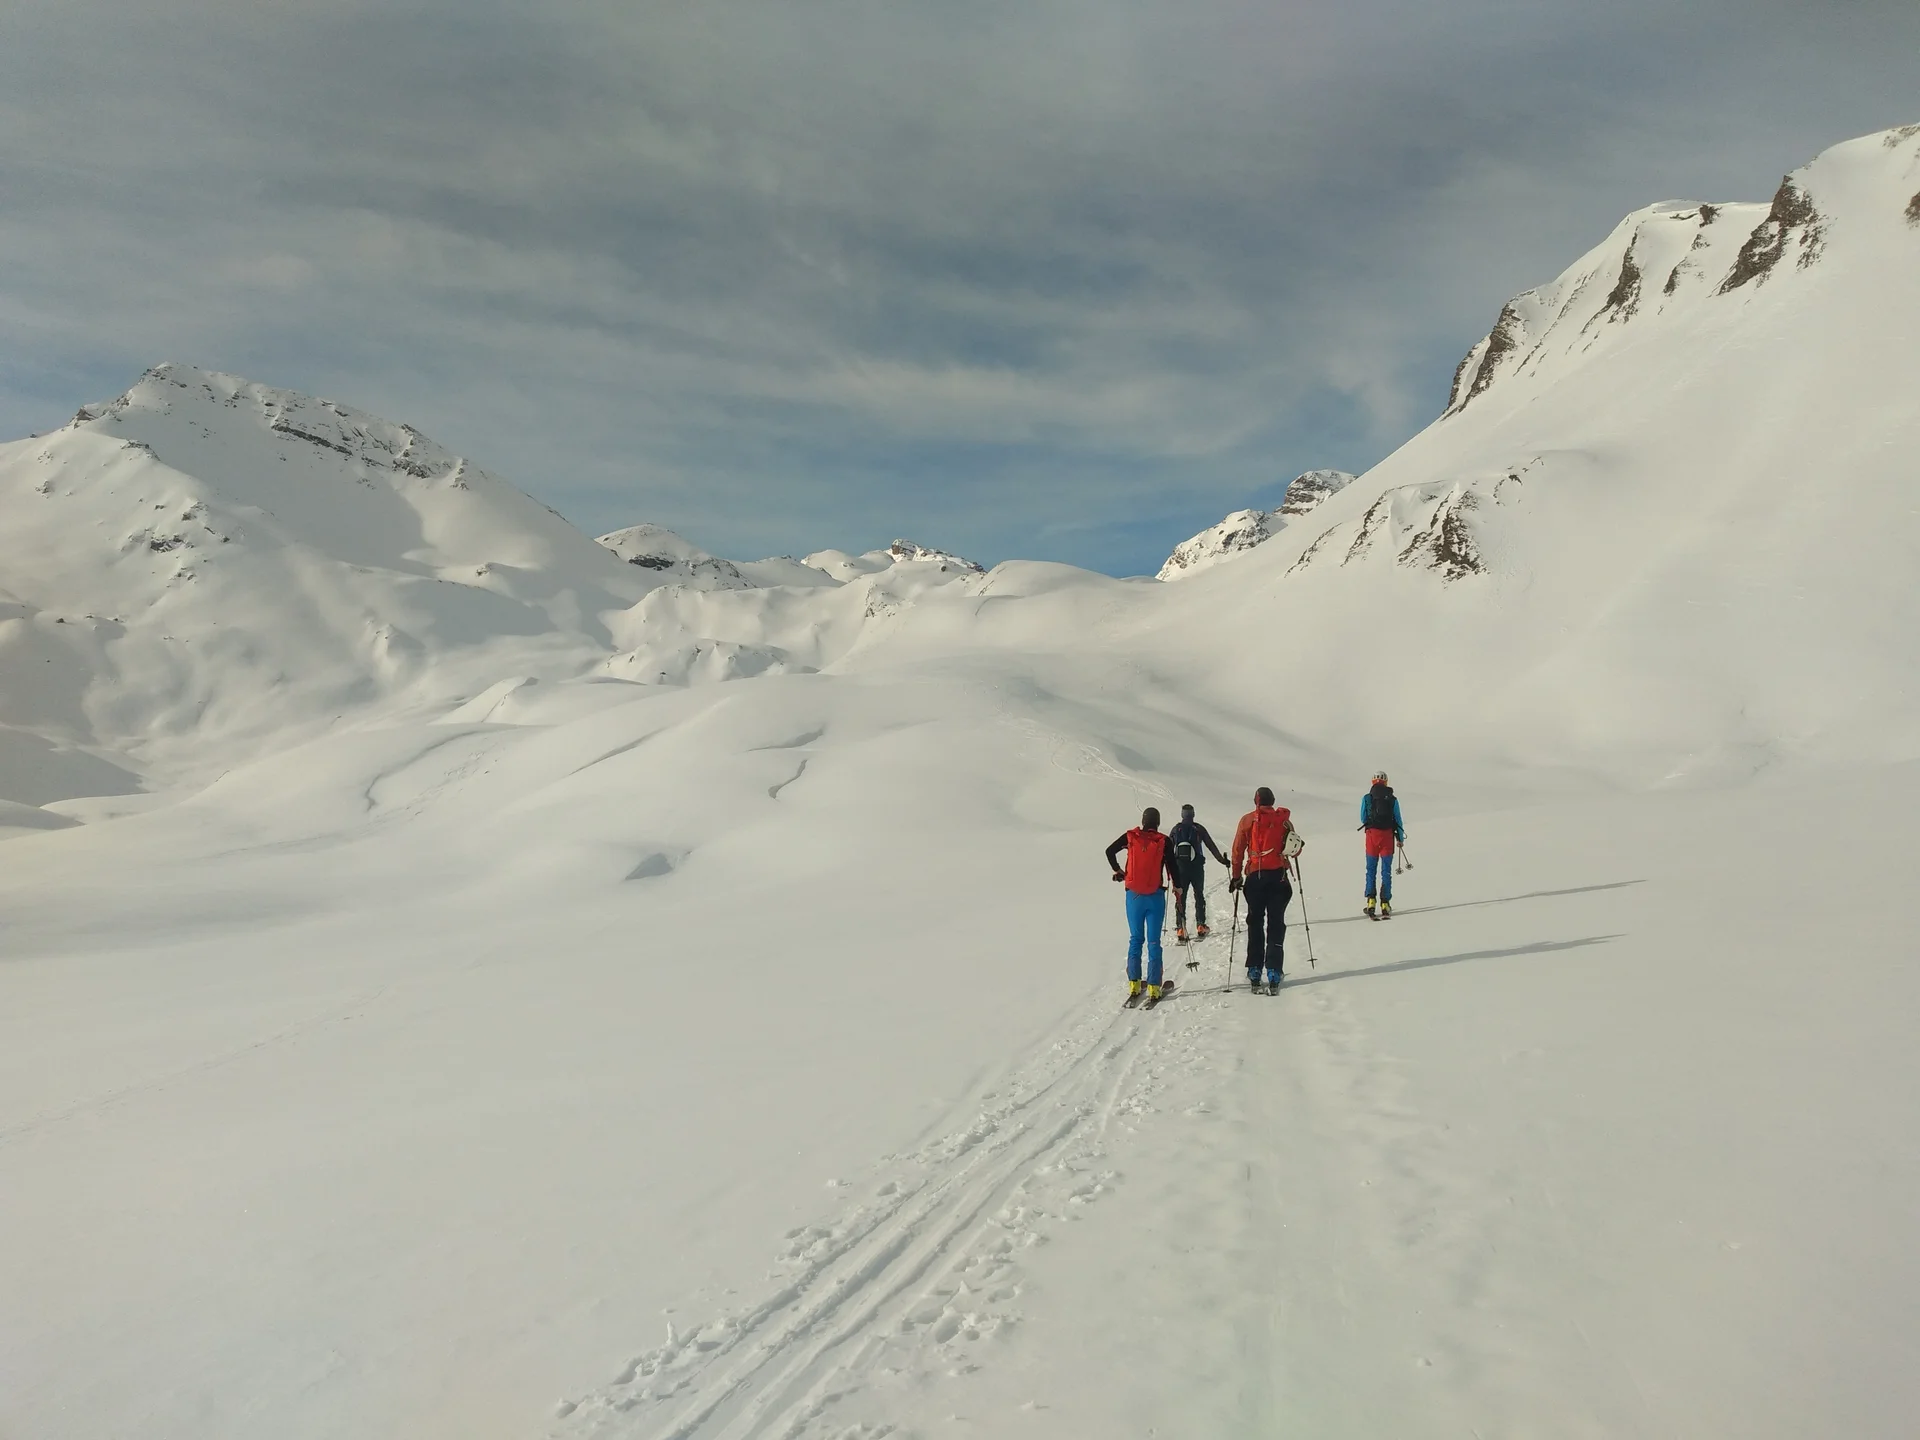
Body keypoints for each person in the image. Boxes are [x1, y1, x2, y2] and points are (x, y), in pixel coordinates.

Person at [1105, 806, 1183, 1002]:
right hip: (1155, 896)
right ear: (1157, 823)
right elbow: (1173, 867)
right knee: (1154, 941)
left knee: (1135, 939)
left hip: (1133, 897)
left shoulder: (1131, 837)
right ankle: (1155, 987)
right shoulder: (1164, 841)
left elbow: (1109, 851)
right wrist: (1178, 888)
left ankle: (1134, 983)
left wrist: (1118, 871)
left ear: (1143, 820)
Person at [1229, 787, 1300, 993]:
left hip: (1254, 878)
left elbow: (1237, 850)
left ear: (1256, 802)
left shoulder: (1247, 820)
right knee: (1276, 923)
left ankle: (1254, 969)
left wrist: (1236, 876)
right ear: (1273, 800)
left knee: (1255, 921)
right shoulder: (1284, 821)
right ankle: (1274, 970)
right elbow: (1295, 849)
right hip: (1278, 877)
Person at [1167, 803, 1229, 943]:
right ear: (1193, 814)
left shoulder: (1176, 829)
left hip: (1180, 868)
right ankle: (1200, 925)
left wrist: (1167, 867)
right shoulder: (1199, 829)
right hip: (1197, 867)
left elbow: (1168, 849)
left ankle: (1180, 928)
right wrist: (1222, 860)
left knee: (1180, 897)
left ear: (1182, 815)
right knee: (1199, 895)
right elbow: (1210, 845)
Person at [1360, 771, 1405, 918]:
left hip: (1372, 837)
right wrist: (1400, 839)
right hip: (1387, 837)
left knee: (1371, 869)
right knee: (1386, 870)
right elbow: (1397, 819)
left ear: (1373, 781)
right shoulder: (1392, 799)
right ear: (1386, 782)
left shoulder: (1367, 798)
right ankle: (1385, 903)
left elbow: (1363, 818)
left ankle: (1371, 901)